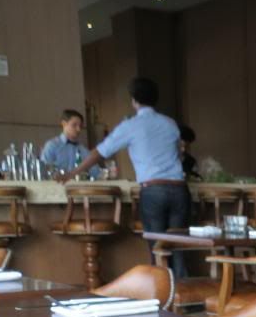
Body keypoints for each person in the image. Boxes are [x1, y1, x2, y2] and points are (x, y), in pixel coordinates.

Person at [59, 77, 190, 277]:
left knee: (158, 249)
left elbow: (99, 152)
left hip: (153, 190)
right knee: (178, 248)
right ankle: (184, 292)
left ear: (134, 100)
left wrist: (72, 173)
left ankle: (163, 292)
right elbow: (179, 153)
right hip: (179, 189)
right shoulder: (170, 123)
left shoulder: (131, 125)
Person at [40, 109, 100, 178]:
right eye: (74, 125)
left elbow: (96, 172)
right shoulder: (52, 146)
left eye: (80, 126)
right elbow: (44, 171)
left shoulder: (83, 150)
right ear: (64, 124)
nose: (78, 129)